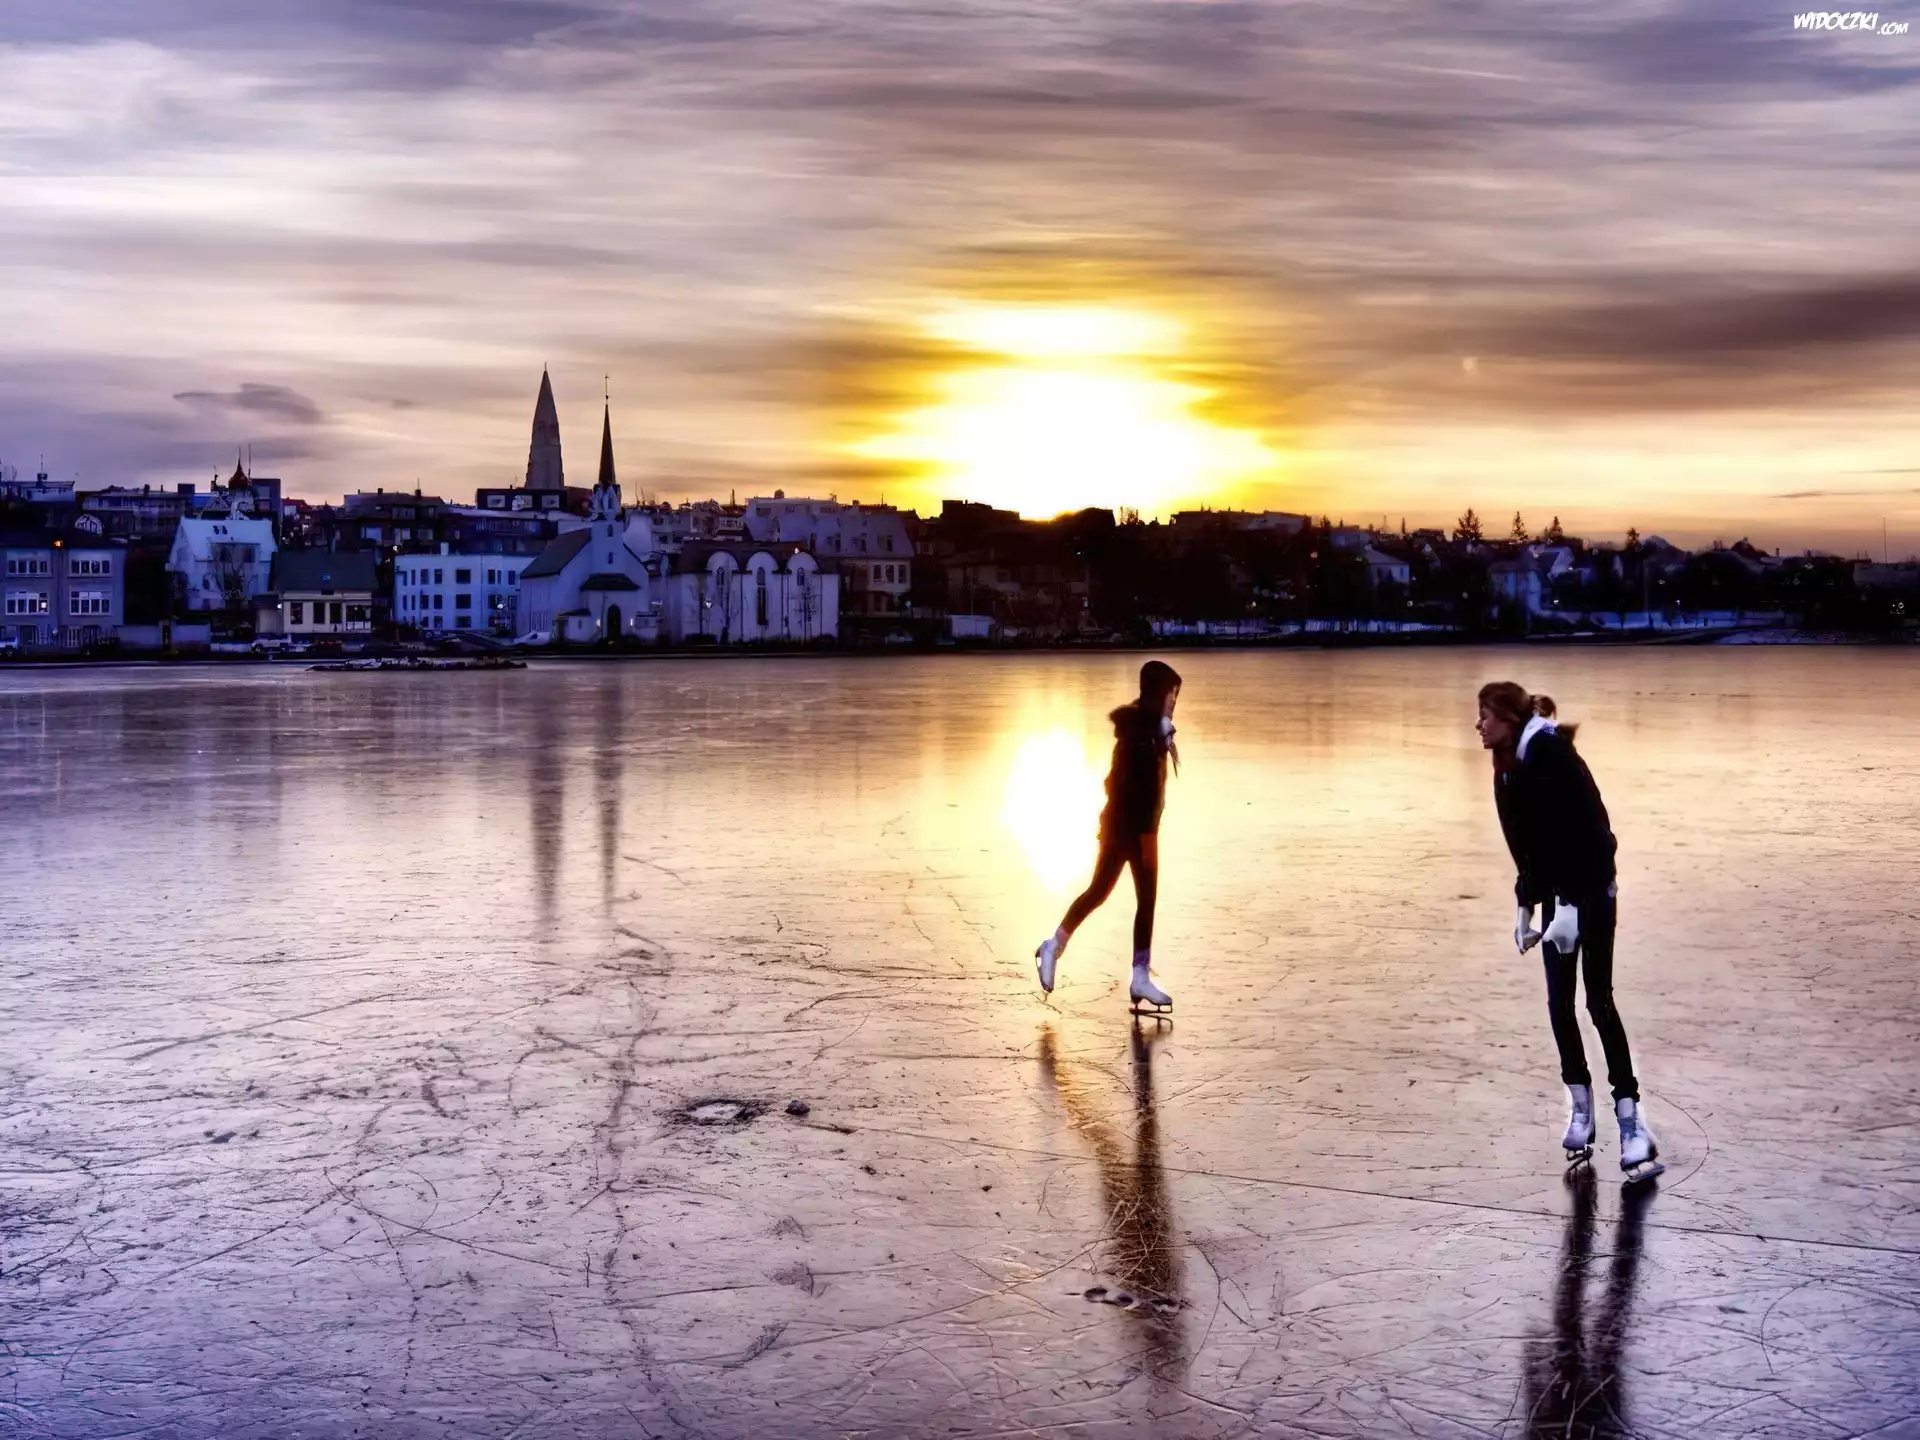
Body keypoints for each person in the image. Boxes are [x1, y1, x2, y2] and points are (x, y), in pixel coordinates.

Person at [1476, 682, 1661, 1179]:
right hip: (1559, 897)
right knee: (1558, 1004)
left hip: (1593, 891)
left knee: (1598, 1001)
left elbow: (1596, 836)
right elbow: (1527, 846)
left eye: (1486, 715)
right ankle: (1581, 1108)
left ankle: (1632, 1123)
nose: (1478, 724)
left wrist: (1574, 904)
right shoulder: (1508, 768)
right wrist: (1526, 905)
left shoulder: (1552, 755)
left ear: (1509, 720)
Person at [1035, 661, 1181, 1012]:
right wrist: (1145, 837)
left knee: (1113, 894)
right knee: (1109, 893)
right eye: (1171, 695)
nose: (1174, 703)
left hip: (1131, 828)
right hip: (1129, 829)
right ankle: (1054, 947)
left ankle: (1133, 974)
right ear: (1156, 693)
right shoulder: (1140, 736)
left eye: (1176, 697)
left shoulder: (1150, 729)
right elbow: (1129, 788)